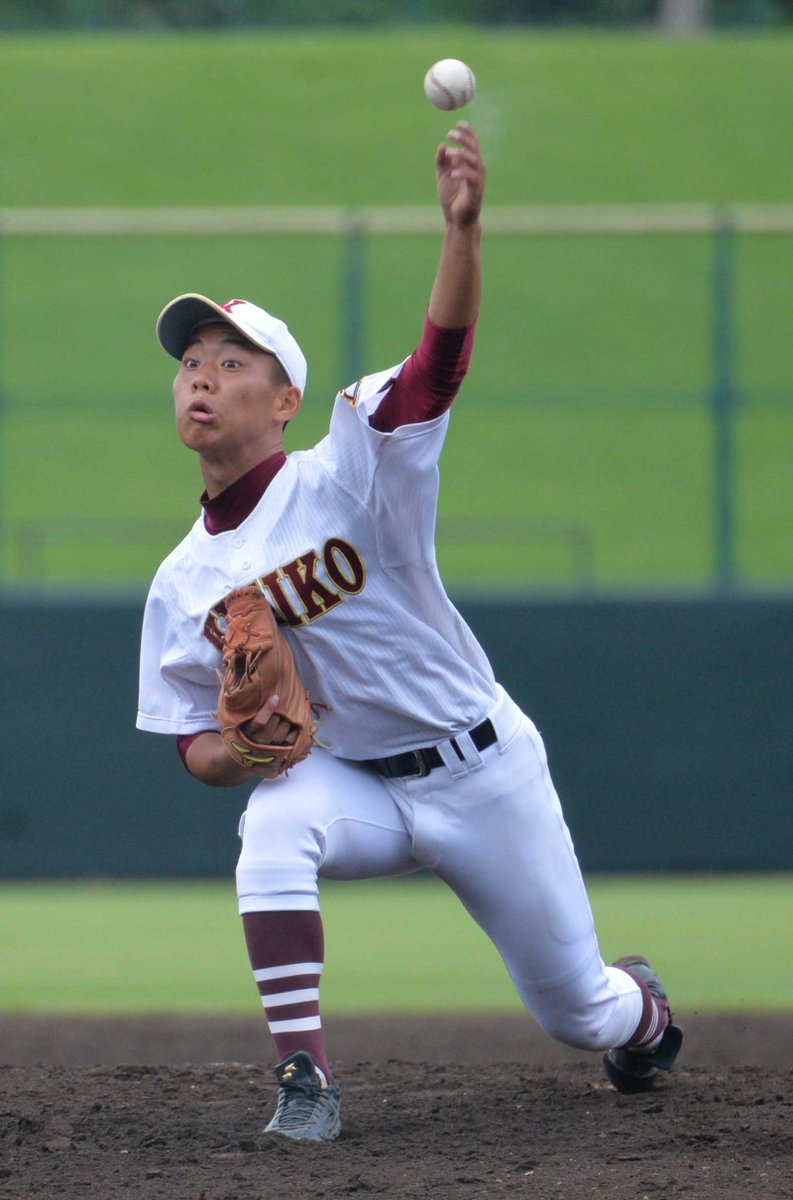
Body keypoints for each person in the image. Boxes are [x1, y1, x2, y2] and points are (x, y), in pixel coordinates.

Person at [137, 122, 682, 1143]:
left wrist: (461, 232)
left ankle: (640, 1011)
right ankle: (305, 1079)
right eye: (190, 362)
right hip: (360, 787)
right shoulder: (182, 581)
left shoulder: (351, 473)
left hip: (481, 770)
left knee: (579, 1012)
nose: (200, 375)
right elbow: (194, 747)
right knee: (273, 825)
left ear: (287, 399)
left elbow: (435, 368)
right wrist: (244, 750)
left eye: (230, 360)